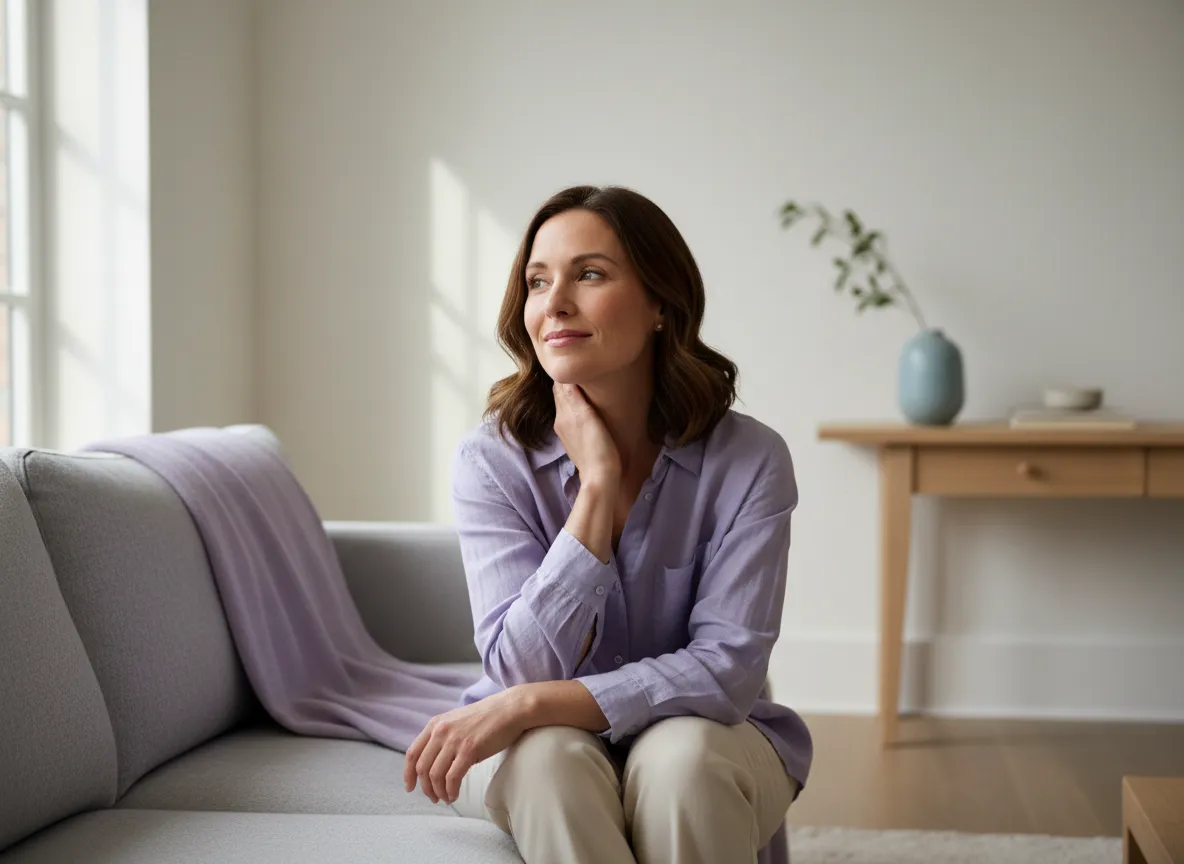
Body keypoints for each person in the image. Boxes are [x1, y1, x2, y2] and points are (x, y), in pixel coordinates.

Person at [404, 185, 813, 864]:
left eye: (588, 274)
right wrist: (595, 492)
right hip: (539, 748)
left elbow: (727, 672)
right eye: (538, 282)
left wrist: (532, 704)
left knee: (683, 759)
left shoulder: (749, 459)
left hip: (707, 738)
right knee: (548, 763)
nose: (554, 302)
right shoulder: (491, 461)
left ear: (660, 304)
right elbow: (515, 668)